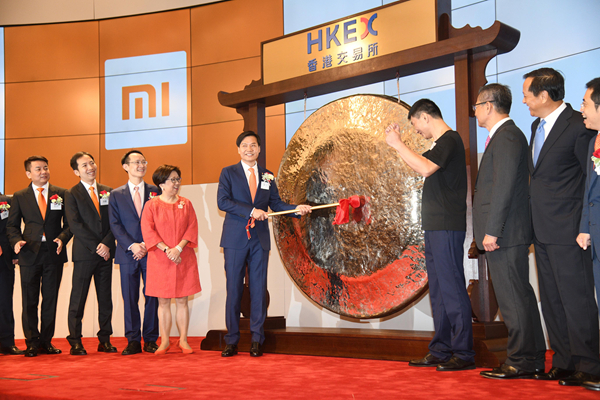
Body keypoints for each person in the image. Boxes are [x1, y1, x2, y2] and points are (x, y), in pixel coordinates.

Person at [384, 100, 475, 371]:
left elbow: (425, 168)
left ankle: (463, 352)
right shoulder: (438, 145)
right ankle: (441, 348)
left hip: (447, 225)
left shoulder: (450, 139)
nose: (417, 131)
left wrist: (398, 144)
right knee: (438, 290)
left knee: (451, 287)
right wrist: (398, 144)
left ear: (425, 117)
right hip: (435, 226)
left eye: (415, 125)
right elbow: (420, 164)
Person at [524, 67, 600, 386]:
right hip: (541, 229)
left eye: (527, 95)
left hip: (570, 229)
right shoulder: (535, 126)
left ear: (544, 95)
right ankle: (564, 361)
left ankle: (589, 364)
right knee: (552, 300)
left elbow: (589, 179)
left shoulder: (578, 126)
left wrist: (584, 224)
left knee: (576, 299)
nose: (525, 100)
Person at [472, 84, 546, 379]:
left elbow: (502, 188)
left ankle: (520, 361)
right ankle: (532, 358)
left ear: (488, 106)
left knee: (513, 298)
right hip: (507, 232)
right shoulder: (506, 136)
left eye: (477, 106)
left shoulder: (507, 136)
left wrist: (492, 230)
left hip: (504, 234)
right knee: (519, 296)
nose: (475, 111)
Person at [217, 131, 311, 358]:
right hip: (234, 239)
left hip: (259, 239)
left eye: (253, 145)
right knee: (234, 290)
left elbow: (275, 204)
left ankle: (257, 340)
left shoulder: (267, 175)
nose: (249, 149)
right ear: (238, 149)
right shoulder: (228, 172)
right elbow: (223, 202)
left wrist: (296, 209)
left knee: (259, 289)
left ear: (259, 149)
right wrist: (251, 211)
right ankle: (231, 341)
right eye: (245, 145)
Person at [7, 156, 72, 357]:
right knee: (29, 300)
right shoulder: (20, 196)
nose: (43, 172)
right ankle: (32, 342)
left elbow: (69, 224)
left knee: (50, 299)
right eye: (38, 169)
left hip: (54, 252)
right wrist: (16, 241)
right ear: (29, 173)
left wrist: (62, 238)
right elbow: (12, 226)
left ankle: (46, 341)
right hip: (29, 253)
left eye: (45, 167)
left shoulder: (61, 193)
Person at [141, 165, 200, 355]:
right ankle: (164, 340)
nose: (176, 183)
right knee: (163, 301)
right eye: (172, 180)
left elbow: (192, 227)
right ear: (161, 184)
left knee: (182, 300)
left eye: (178, 179)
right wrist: (167, 249)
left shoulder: (186, 203)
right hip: (160, 258)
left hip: (183, 256)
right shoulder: (151, 205)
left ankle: (183, 340)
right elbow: (148, 231)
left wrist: (178, 248)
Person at [64, 151, 116, 356]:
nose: (90, 167)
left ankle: (105, 340)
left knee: (105, 299)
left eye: (92, 163)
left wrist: (107, 244)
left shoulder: (108, 191)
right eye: (84, 165)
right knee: (78, 299)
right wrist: (98, 246)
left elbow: (114, 222)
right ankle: (75, 341)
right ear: (76, 171)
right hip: (85, 254)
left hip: (106, 254)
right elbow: (75, 225)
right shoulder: (71, 193)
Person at [108, 150, 159, 355]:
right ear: (126, 166)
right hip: (127, 253)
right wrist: (132, 245)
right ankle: (132, 340)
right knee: (129, 298)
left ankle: (151, 339)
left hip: (152, 251)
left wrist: (145, 244)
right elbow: (114, 224)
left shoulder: (155, 191)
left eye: (143, 161)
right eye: (136, 162)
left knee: (152, 296)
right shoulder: (115, 194)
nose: (141, 165)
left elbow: (160, 221)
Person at [576, 77, 600, 392]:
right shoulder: (594, 141)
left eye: (585, 103)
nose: (581, 109)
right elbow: (588, 191)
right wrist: (584, 226)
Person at [0, 194, 23, 356]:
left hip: (4, 259)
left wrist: (16, 254)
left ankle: (7, 343)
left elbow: (13, 227)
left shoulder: (7, 201)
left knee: (5, 301)